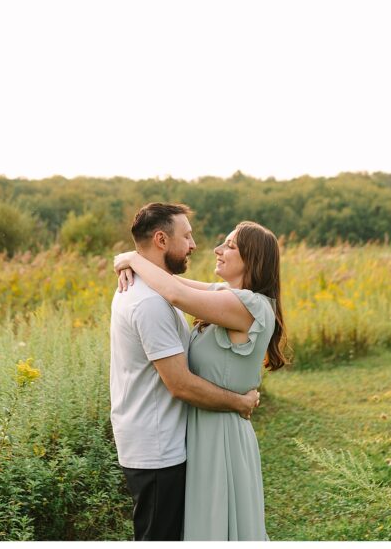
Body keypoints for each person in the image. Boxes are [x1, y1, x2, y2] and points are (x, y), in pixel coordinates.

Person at [113, 215, 287, 540]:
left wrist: (133, 258)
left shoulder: (251, 306)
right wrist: (131, 263)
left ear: (253, 259)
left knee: (217, 527)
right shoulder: (227, 295)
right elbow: (174, 284)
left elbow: (176, 295)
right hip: (200, 431)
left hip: (221, 435)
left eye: (230, 245)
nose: (217, 249)